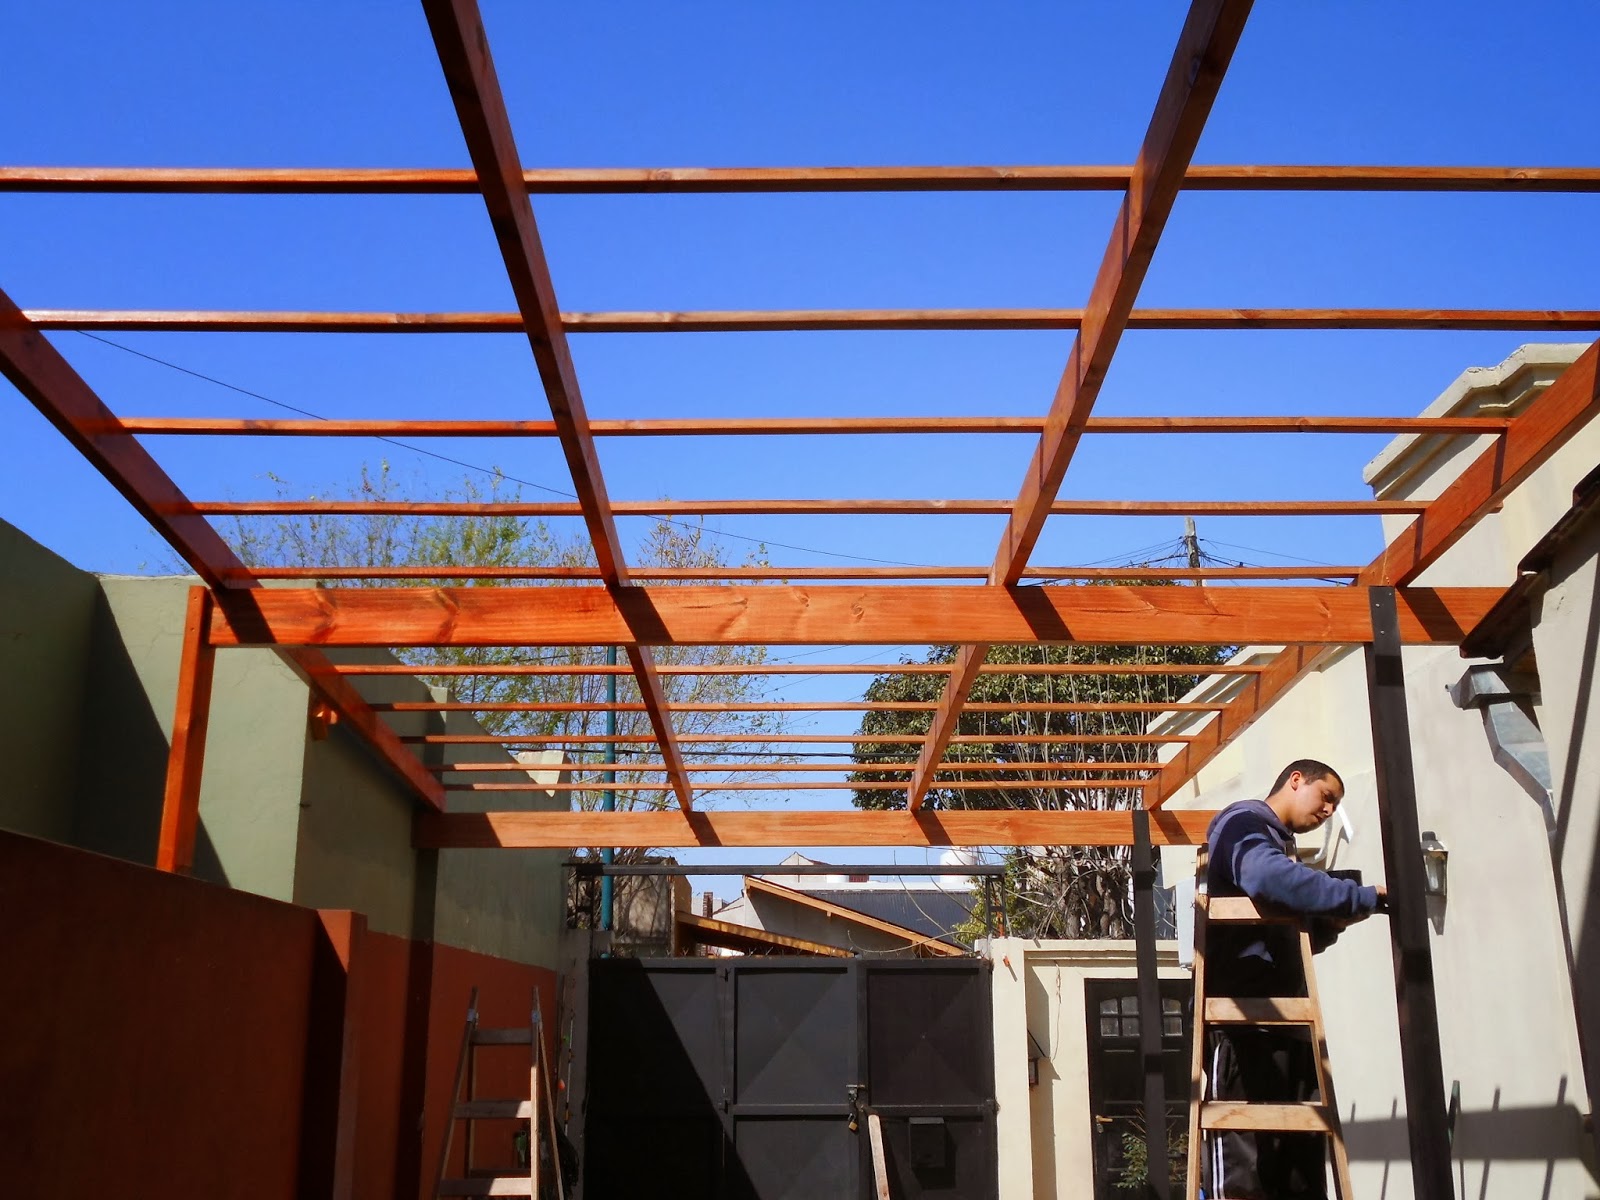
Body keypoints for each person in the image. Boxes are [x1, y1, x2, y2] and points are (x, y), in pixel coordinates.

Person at [1202, 759, 1388, 1200]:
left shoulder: (1276, 845)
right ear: (1296, 780)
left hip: (1286, 1023)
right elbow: (1266, 878)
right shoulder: (1242, 822)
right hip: (1242, 1026)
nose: (1329, 811)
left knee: (1298, 1173)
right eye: (1327, 797)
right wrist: (1358, 898)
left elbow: (1274, 935)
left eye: (1336, 805)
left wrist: (1326, 926)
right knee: (1246, 1174)